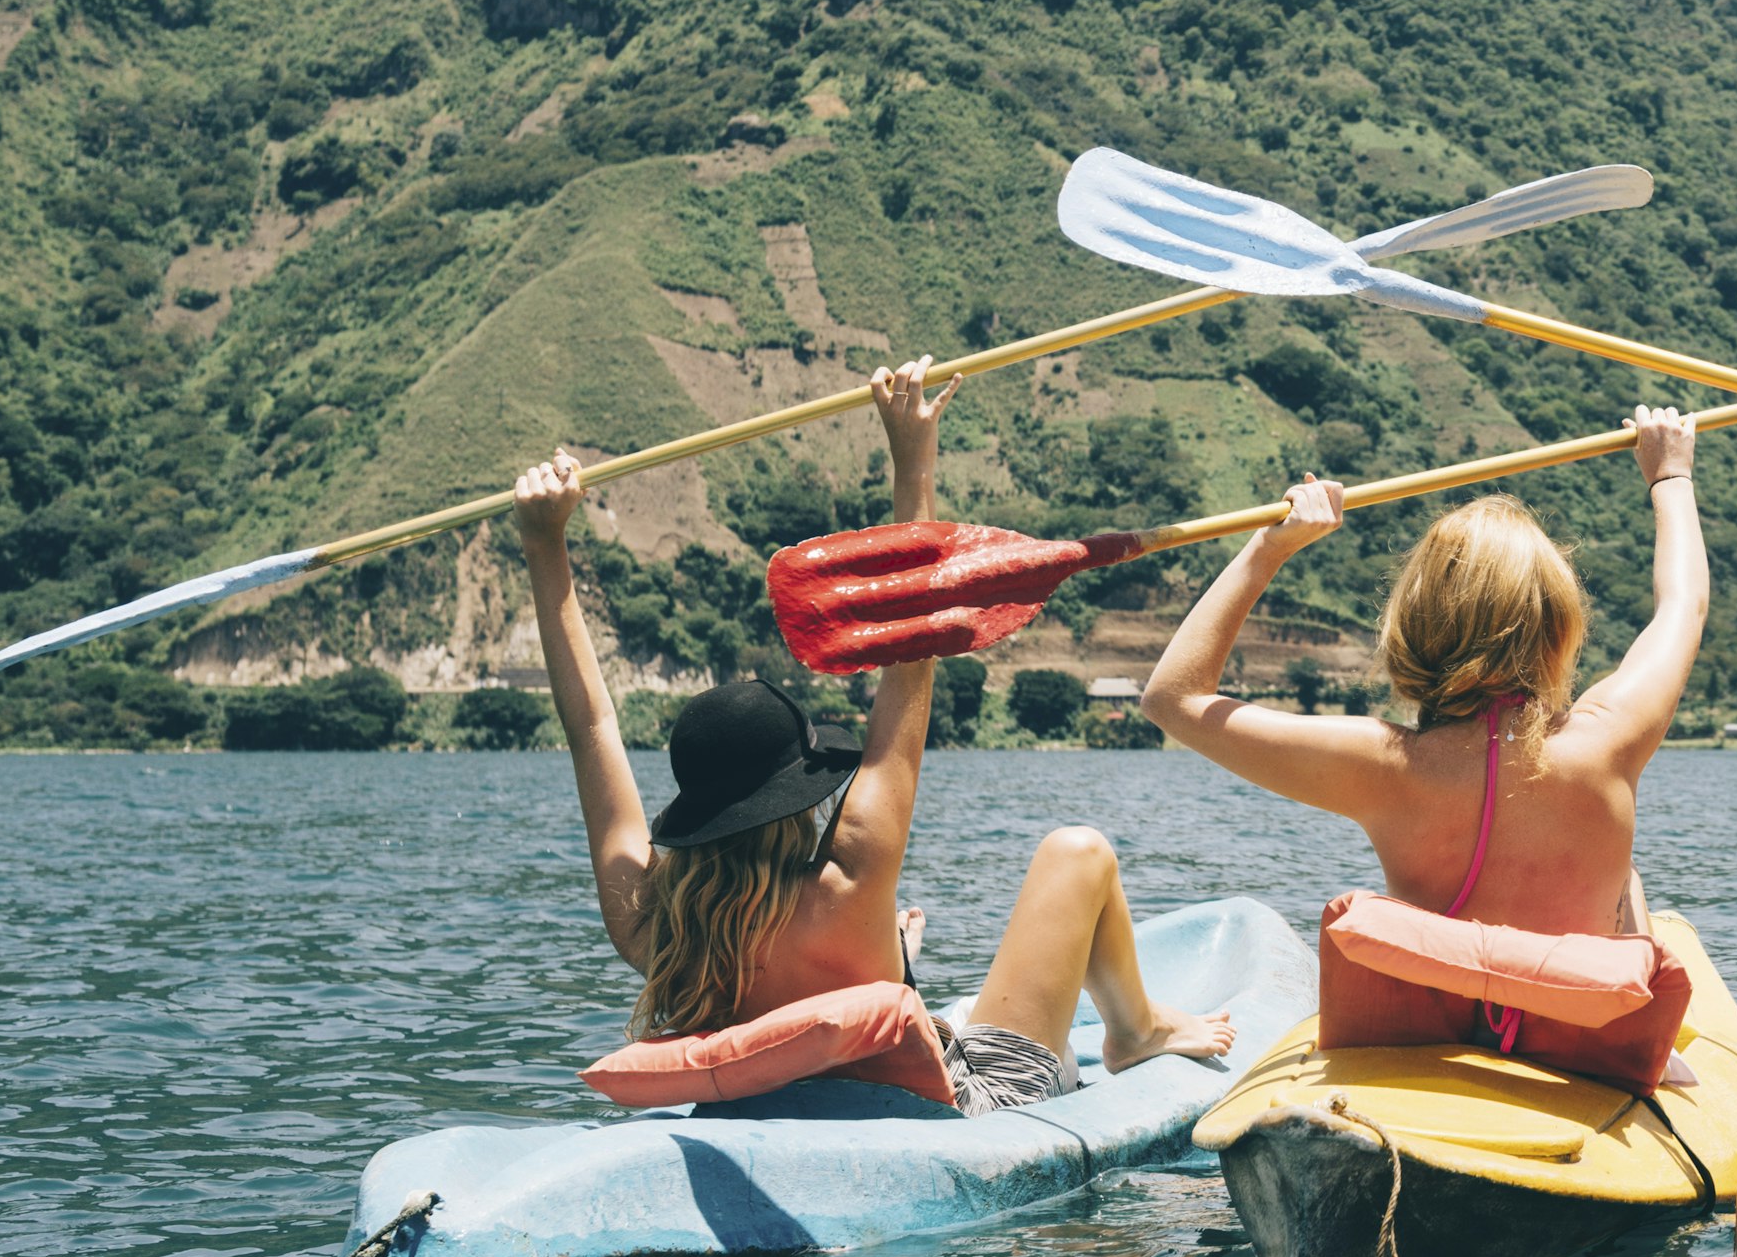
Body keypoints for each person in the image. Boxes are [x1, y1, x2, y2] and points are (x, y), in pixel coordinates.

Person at [510, 356, 1231, 1112]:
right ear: (794, 796)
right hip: (969, 1102)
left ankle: (921, 974)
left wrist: (542, 541)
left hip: (804, 1092)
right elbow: (913, 634)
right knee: (1076, 852)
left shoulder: (653, 923)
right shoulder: (851, 875)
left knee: (908, 954)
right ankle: (1135, 1030)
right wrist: (912, 456)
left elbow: (590, 724)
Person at [1141, 409, 1704, 941]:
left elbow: (1172, 699)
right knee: (1625, 880)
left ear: (1414, 626)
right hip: (1581, 1033)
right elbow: (1683, 605)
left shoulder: (1383, 765)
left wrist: (1271, 546)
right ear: (1558, 627)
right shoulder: (1610, 734)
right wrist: (1670, 476)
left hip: (1450, 1027)